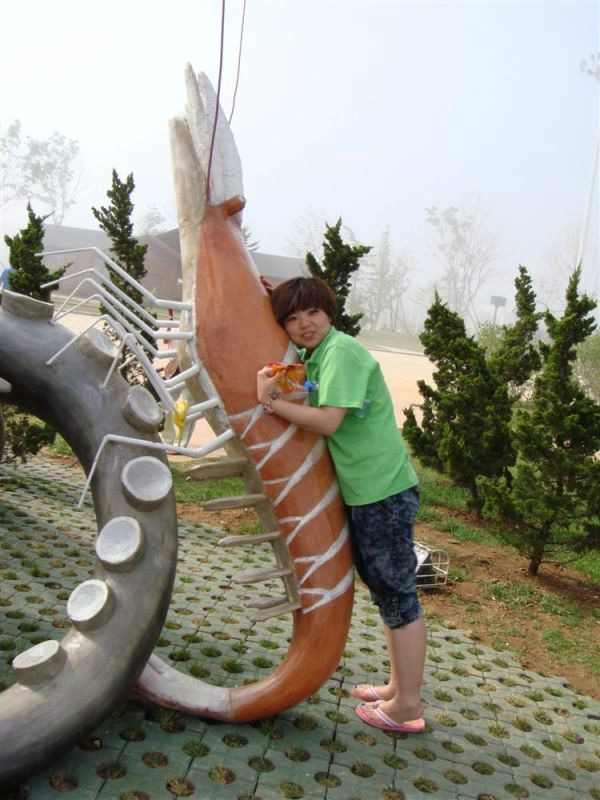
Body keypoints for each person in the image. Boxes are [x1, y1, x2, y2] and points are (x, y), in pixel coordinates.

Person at [256, 276, 427, 734]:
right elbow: (306, 384)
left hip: (383, 492)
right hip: (369, 491)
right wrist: (268, 296)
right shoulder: (318, 354)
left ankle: (408, 704)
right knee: (387, 592)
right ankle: (398, 688)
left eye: (312, 312)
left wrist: (271, 402)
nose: (305, 324)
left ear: (328, 311)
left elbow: (329, 421)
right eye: (293, 318)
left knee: (398, 595)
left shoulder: (342, 353)